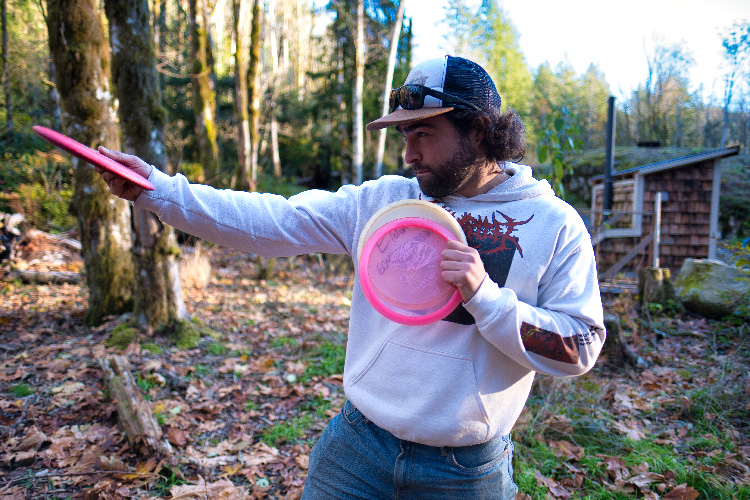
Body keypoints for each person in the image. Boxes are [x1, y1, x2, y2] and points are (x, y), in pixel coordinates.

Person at [96, 55, 606, 499]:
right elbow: (273, 220)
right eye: (405, 135)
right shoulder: (382, 202)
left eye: (423, 133)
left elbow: (580, 347)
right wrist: (156, 190)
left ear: (479, 130)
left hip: (466, 472)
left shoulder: (554, 225)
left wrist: (487, 299)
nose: (408, 154)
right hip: (356, 450)